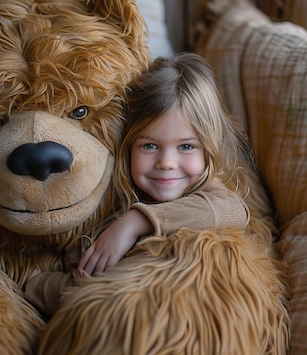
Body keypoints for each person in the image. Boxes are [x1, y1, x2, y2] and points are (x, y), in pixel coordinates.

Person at [24, 52, 255, 316]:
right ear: (127, 147)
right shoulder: (113, 199)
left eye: (187, 146)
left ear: (208, 149)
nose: (167, 162)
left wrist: (136, 222)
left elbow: (236, 210)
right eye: (149, 145)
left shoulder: (206, 190)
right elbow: (85, 276)